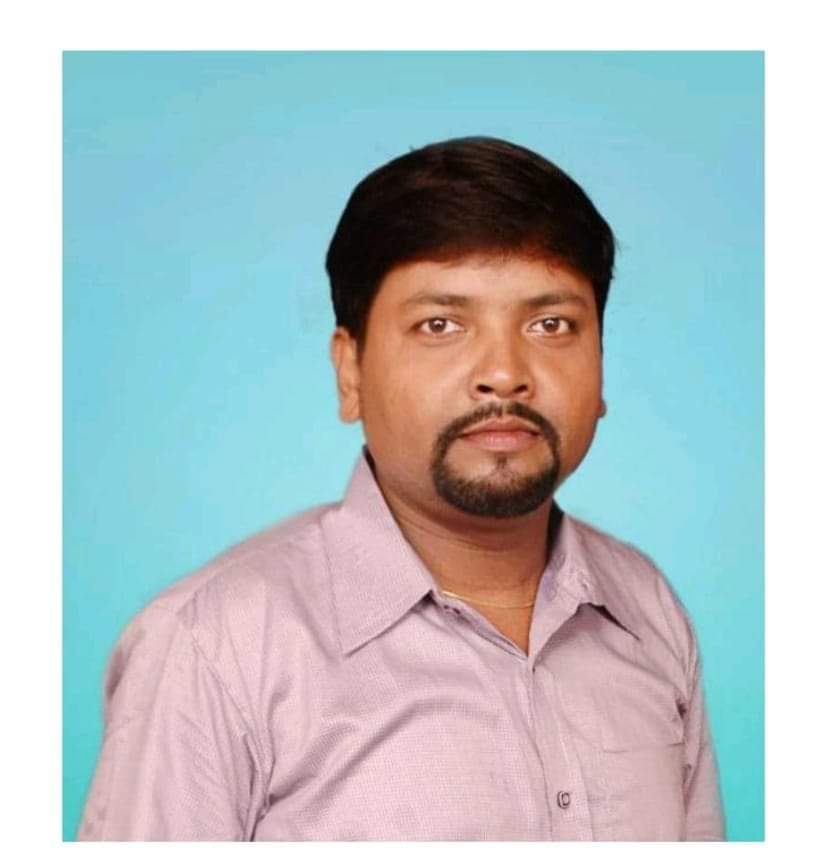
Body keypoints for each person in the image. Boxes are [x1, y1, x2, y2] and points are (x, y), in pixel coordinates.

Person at [77, 136, 725, 841]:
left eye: (551, 324)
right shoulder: (214, 644)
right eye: (440, 324)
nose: (504, 374)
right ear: (350, 371)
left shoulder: (646, 608)